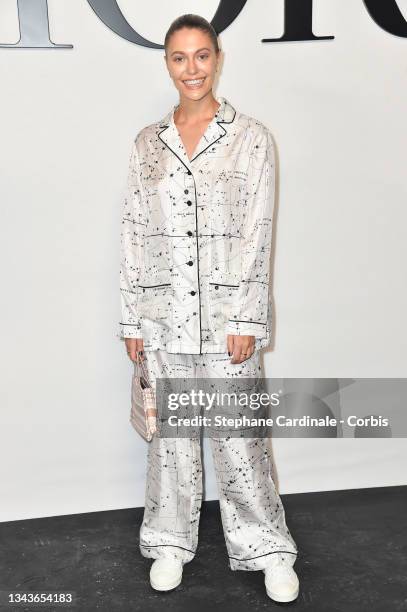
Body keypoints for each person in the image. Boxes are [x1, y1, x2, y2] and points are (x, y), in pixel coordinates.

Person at [118, 13, 300, 603]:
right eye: (178, 57)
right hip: (163, 315)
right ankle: (169, 540)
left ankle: (268, 548)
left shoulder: (251, 137)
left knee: (239, 438)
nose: (190, 68)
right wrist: (131, 318)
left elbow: (258, 230)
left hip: (226, 320)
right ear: (166, 64)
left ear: (216, 58)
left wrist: (248, 318)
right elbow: (134, 231)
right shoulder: (148, 142)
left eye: (201, 56)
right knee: (171, 439)